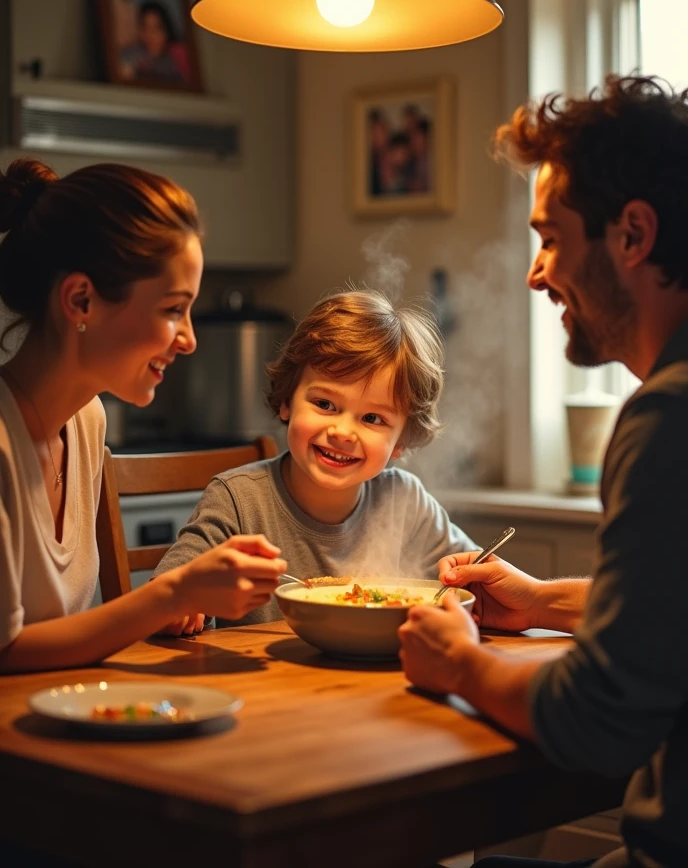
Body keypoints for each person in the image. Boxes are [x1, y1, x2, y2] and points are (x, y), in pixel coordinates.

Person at [398, 74, 688, 868]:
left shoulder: (669, 419)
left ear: (632, 235)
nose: (535, 273)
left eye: (552, 238)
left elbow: (597, 721)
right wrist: (540, 602)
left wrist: (457, 661)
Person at [0, 158, 286, 674]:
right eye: (174, 309)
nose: (190, 338)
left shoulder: (86, 422)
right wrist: (173, 592)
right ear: (81, 299)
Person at [153, 289, 477, 633]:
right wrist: (180, 606)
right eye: (324, 405)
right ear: (287, 402)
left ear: (400, 441)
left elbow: (473, 578)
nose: (343, 432)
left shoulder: (405, 502)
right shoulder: (238, 500)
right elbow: (163, 597)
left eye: (372, 419)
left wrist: (480, 581)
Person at [119, 0, 189, 84]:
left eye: (156, 29)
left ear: (166, 32)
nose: (149, 35)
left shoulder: (173, 61)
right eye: (144, 28)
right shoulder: (131, 55)